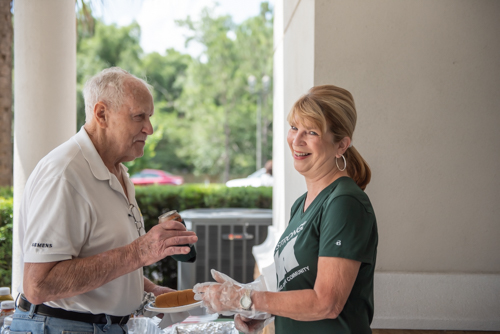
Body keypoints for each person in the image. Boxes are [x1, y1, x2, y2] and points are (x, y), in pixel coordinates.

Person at [11, 67, 198, 334]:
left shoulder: (116, 170)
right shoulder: (64, 174)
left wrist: (148, 290)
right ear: (102, 114)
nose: (150, 128)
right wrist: (140, 252)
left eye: (150, 117)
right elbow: (39, 285)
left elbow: (96, 257)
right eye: (138, 117)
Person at [194, 84, 378, 334]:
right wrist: (263, 313)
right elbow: (295, 286)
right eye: (294, 127)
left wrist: (244, 299)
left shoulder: (344, 202)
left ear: (341, 145)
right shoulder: (300, 205)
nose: (297, 140)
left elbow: (327, 303)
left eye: (311, 132)